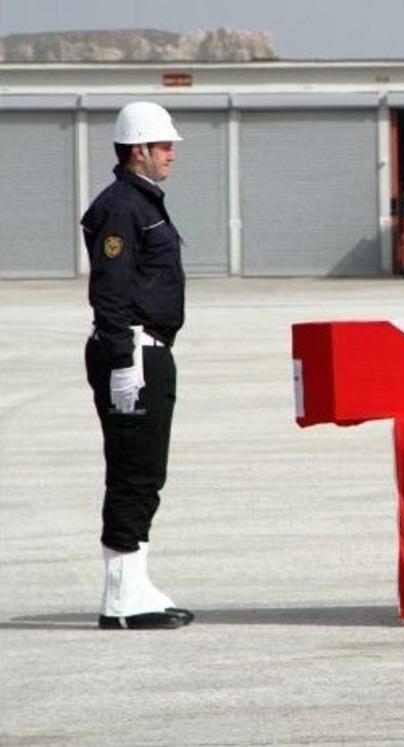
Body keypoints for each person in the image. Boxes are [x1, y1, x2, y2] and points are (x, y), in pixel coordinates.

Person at [83, 101, 194, 630]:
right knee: (132, 472)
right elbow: (111, 289)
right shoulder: (122, 208)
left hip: (149, 349)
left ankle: (135, 581)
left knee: (146, 471)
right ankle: (120, 598)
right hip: (133, 349)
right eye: (164, 146)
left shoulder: (144, 202)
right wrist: (123, 362)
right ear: (138, 151)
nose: (171, 154)